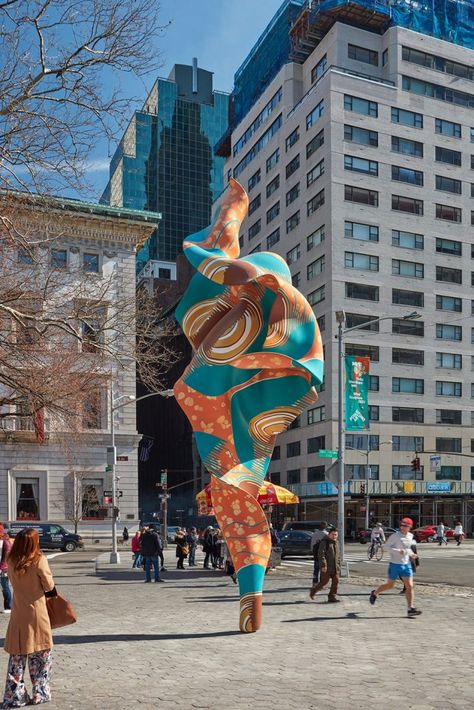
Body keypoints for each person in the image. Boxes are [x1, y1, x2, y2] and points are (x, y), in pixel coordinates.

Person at [2, 527, 57, 707]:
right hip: (37, 613)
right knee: (41, 656)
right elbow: (49, 585)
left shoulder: (11, 560)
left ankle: (14, 695)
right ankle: (40, 692)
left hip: (18, 613)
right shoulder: (39, 560)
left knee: (17, 657)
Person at [369, 517, 421, 617]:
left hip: (406, 565)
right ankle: (375, 593)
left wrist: (412, 554)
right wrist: (398, 551)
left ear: (410, 527)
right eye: (401, 525)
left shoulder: (410, 536)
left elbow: (407, 549)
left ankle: (410, 608)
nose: (402, 527)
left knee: (409, 586)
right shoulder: (395, 536)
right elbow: (386, 547)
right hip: (394, 564)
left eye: (405, 525)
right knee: (390, 585)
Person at [309, 527, 341, 603]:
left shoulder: (337, 542)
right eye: (333, 534)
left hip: (335, 567)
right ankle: (313, 591)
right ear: (329, 534)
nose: (334, 536)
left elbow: (338, 556)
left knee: (336, 582)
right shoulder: (324, 542)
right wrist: (323, 565)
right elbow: (321, 555)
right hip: (327, 567)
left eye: (336, 535)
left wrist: (339, 565)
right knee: (324, 582)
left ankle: (332, 597)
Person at [0, 524, 12, 614]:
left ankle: (8, 606)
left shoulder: (3, 542)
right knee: (5, 587)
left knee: (5, 587)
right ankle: (8, 606)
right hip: (5, 567)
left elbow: (3, 556)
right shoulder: (6, 541)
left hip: (3, 568)